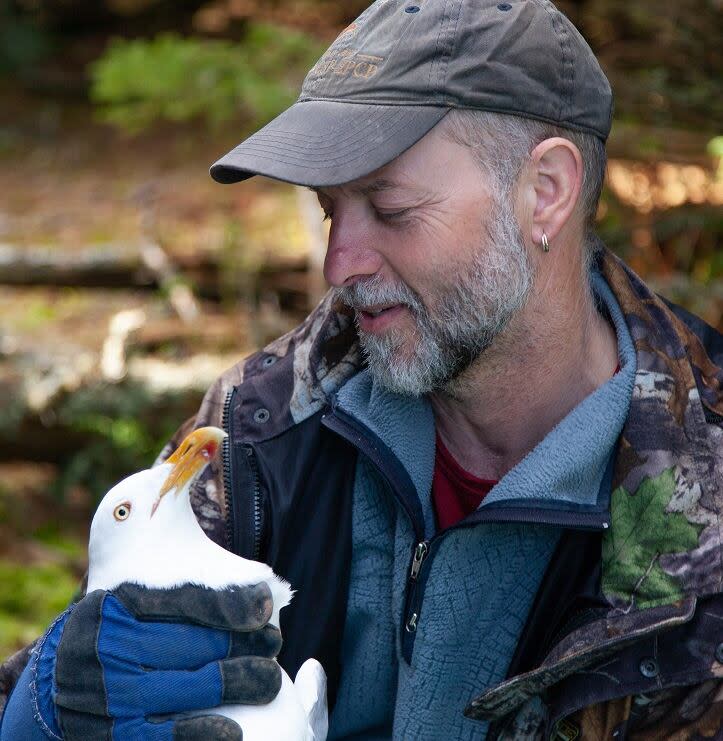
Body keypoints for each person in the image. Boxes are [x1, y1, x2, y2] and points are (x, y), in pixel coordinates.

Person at [2, 0, 722, 738]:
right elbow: (93, 673)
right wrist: (41, 714)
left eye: (390, 207)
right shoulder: (267, 422)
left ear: (544, 192)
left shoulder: (709, 515)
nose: (337, 265)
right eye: (328, 211)